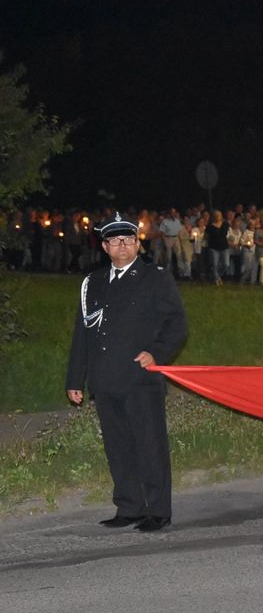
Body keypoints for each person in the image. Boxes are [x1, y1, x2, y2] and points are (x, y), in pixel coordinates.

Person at [65, 214, 188, 532]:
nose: (123, 245)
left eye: (129, 240)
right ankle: (130, 506)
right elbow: (83, 333)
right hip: (105, 379)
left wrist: (157, 353)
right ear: (105, 246)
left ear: (137, 243)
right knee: (117, 447)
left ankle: (158, 510)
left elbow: (177, 324)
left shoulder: (154, 278)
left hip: (140, 378)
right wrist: (75, 379)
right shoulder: (93, 283)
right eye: (116, 241)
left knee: (149, 445)